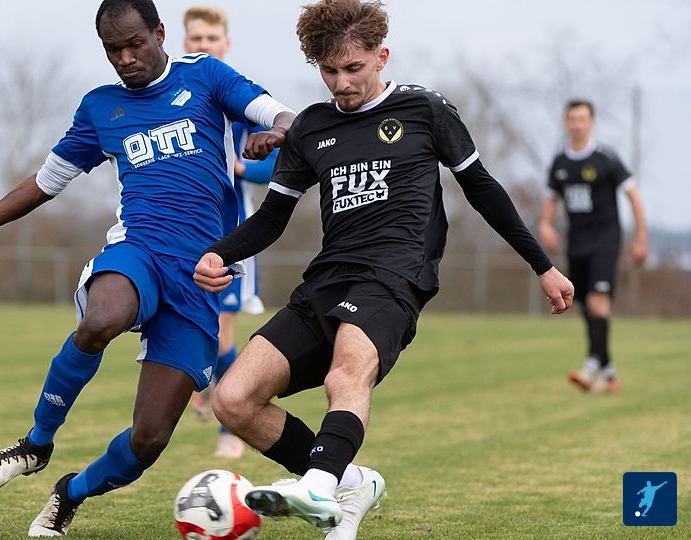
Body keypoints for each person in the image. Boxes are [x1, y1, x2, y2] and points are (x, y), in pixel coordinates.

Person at [192, 1, 575, 538]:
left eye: (354, 68)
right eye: (330, 71)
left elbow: (482, 189)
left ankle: (318, 486)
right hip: (327, 278)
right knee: (233, 399)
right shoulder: (311, 127)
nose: (342, 83)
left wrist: (543, 266)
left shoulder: (425, 109)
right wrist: (219, 253)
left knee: (346, 372)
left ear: (381, 56)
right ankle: (350, 484)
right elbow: (273, 217)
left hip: (397, 274)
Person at [0, 0, 294, 536]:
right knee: (102, 318)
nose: (125, 58)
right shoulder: (100, 107)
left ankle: (70, 492)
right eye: (113, 50)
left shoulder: (206, 76)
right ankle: (36, 444)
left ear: (159, 33)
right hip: (138, 249)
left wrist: (279, 132)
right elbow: (46, 182)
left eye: (134, 44)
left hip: (200, 275)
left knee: (149, 438)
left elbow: (280, 113)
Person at [182, 5, 279, 459]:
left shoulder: (241, 98)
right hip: (180, 230)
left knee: (221, 330)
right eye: (196, 38)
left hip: (230, 233)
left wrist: (240, 167)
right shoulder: (174, 94)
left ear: (226, 44)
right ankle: (202, 380)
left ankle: (230, 424)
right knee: (183, 325)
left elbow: (276, 162)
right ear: (184, 42)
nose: (203, 45)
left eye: (211, 39)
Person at [538, 100, 648, 393]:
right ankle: (609, 371)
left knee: (599, 301)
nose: (577, 124)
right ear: (566, 123)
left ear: (591, 123)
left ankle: (590, 367)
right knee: (586, 304)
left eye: (582, 119)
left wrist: (641, 238)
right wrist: (545, 224)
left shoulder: (606, 158)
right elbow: (550, 198)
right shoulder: (560, 163)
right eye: (572, 119)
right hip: (577, 242)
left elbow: (633, 195)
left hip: (605, 240)